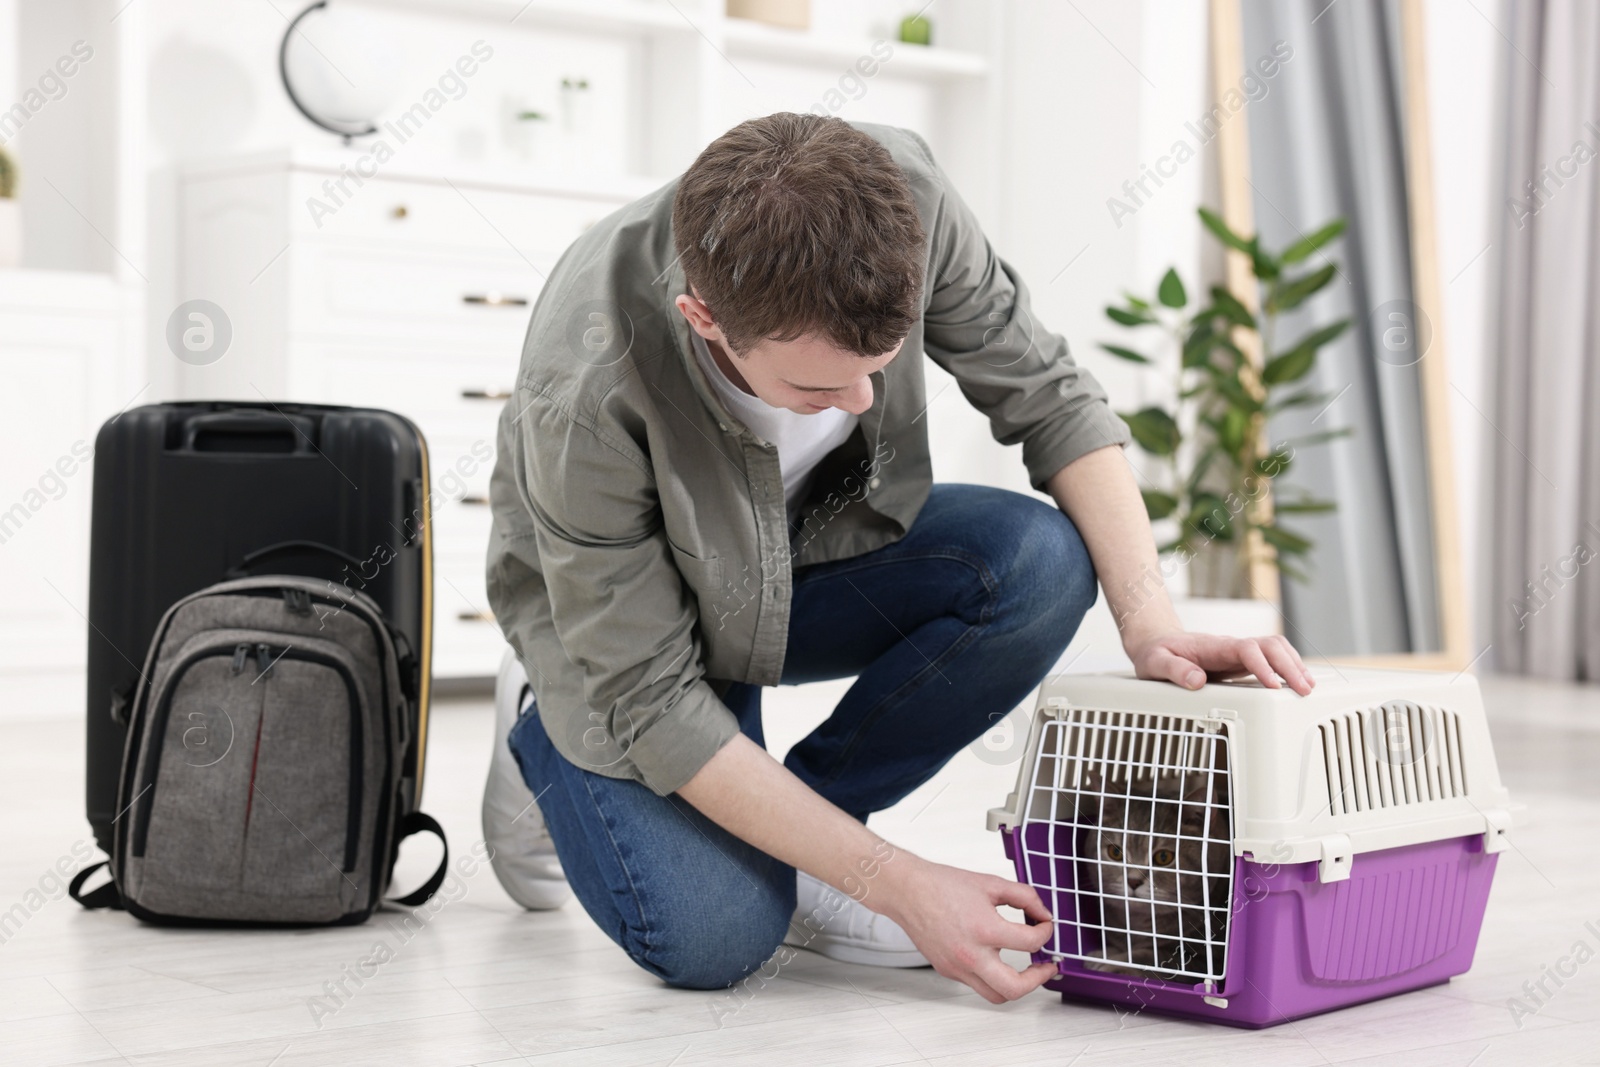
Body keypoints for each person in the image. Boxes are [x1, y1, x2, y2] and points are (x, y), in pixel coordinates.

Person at [481, 113, 1313, 1003]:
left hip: (803, 554)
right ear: (705, 318)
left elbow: (1053, 400)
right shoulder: (583, 382)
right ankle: (538, 708)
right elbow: (654, 705)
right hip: (626, 636)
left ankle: (821, 832)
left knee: (1037, 562)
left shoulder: (903, 201)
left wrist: (1153, 625)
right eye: (816, 386)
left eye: (879, 364)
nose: (861, 401)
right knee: (716, 937)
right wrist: (906, 885)